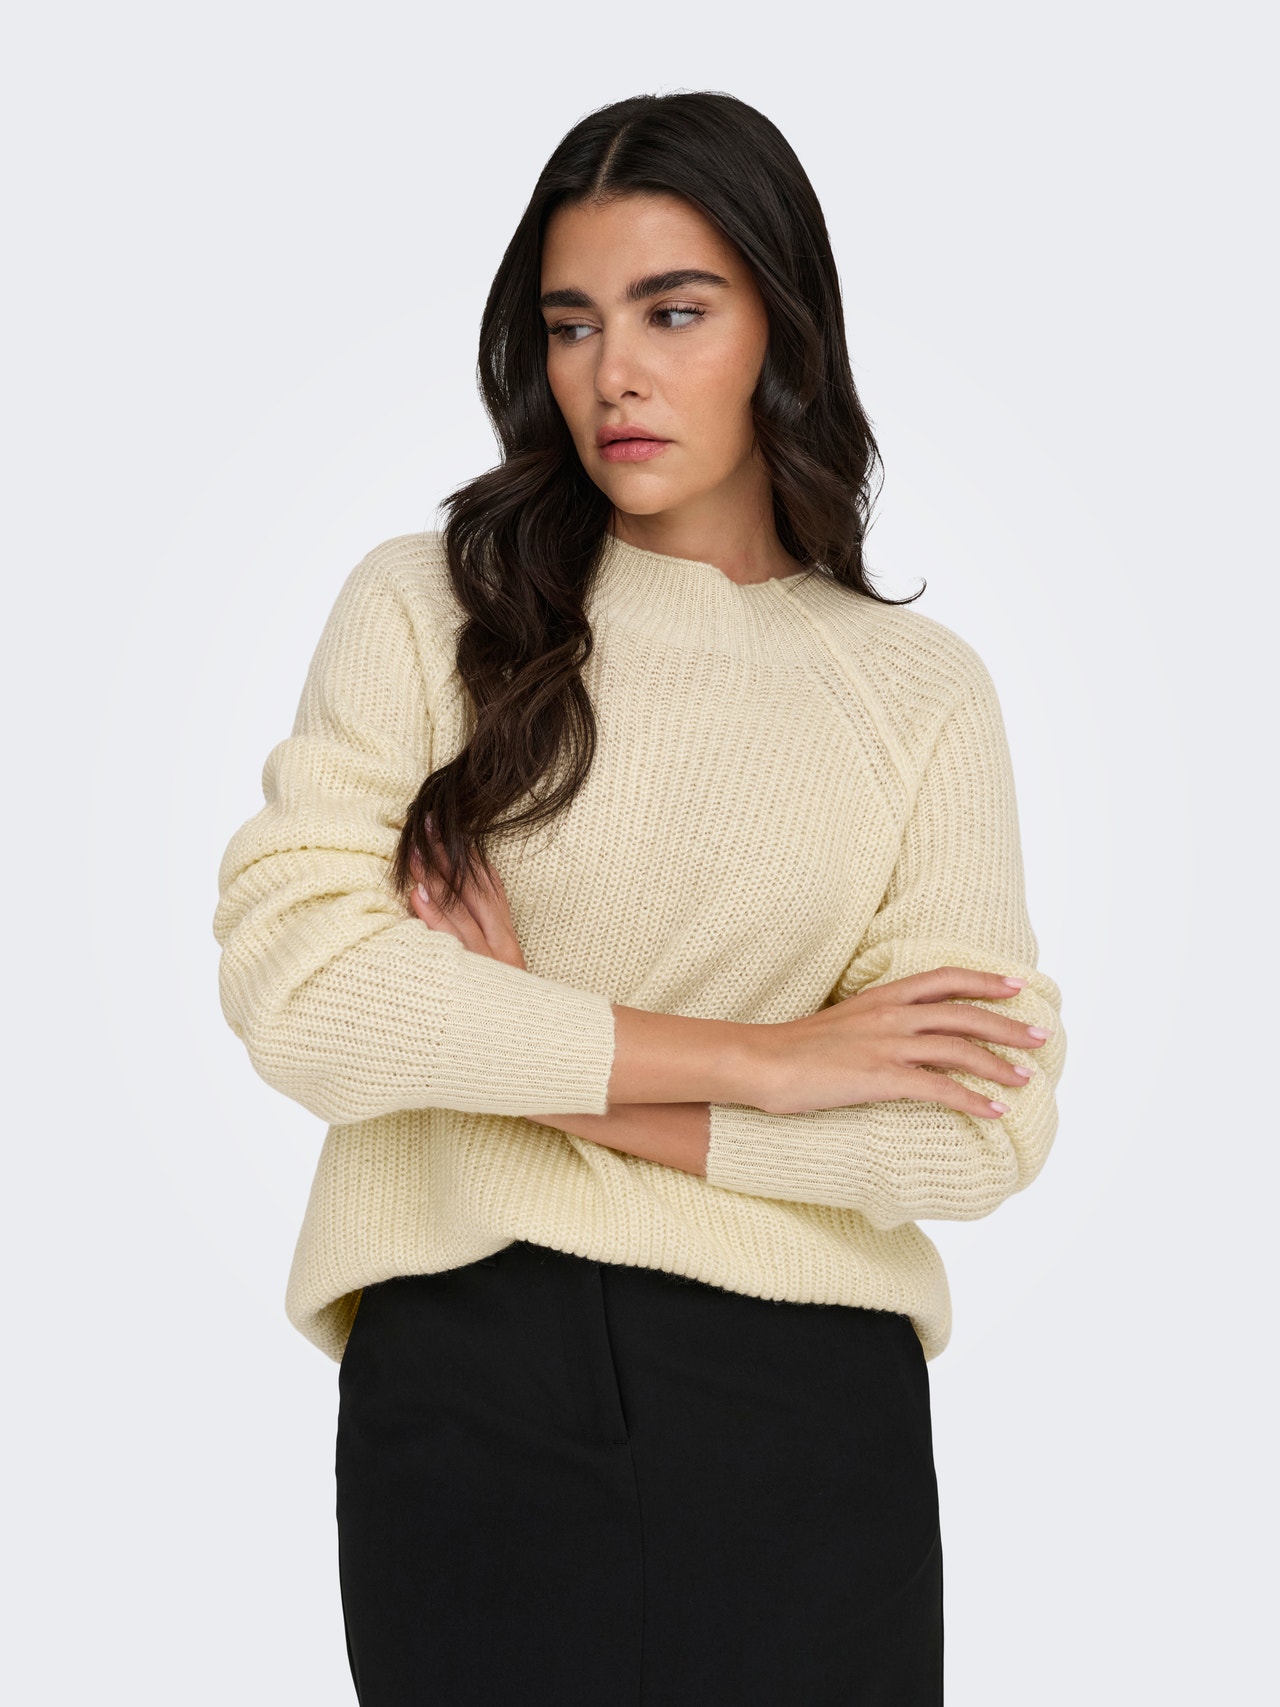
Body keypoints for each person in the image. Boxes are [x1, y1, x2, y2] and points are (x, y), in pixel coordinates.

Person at [213, 90, 1065, 1705]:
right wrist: (770, 1061)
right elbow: (305, 994)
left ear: (782, 331)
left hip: (811, 1401)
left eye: (675, 312)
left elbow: (977, 1129)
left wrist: (516, 1058)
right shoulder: (434, 609)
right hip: (475, 1371)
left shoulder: (916, 691)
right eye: (572, 322)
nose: (614, 372)